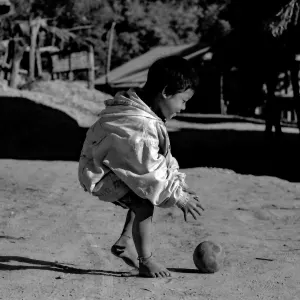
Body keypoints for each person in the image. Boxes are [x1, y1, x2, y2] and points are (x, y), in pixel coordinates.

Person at [78, 55, 204, 278]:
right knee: (144, 205)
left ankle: (125, 242)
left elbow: (162, 160)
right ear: (165, 92)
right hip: (101, 173)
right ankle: (146, 262)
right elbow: (150, 174)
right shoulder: (142, 125)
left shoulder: (142, 111)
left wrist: (177, 186)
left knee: (143, 195)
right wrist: (178, 197)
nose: (184, 108)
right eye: (183, 101)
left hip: (107, 164)